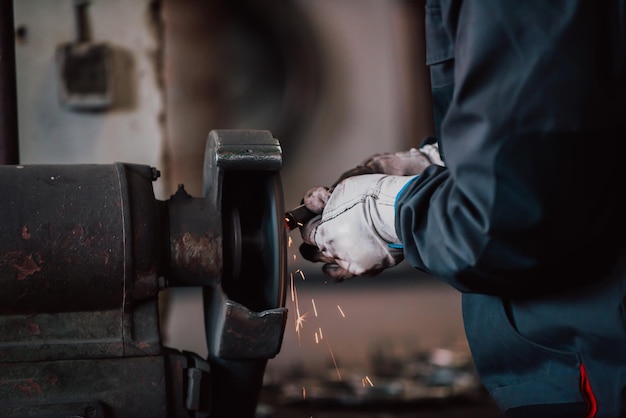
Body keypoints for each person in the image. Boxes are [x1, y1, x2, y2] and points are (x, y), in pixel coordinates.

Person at [297, 1, 626, 417]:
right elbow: (565, 128)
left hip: (592, 361)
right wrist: (444, 163)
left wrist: (391, 211)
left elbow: (504, 219)